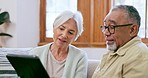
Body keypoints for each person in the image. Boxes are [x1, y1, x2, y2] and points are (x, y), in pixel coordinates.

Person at [92, 5, 148, 78]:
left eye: (112, 27)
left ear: (132, 30)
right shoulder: (114, 50)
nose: (106, 32)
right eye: (105, 26)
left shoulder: (139, 55)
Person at [30, 10, 88, 78]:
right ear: (54, 28)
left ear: (75, 37)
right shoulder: (35, 53)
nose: (64, 35)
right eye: (61, 29)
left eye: (70, 33)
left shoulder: (80, 57)